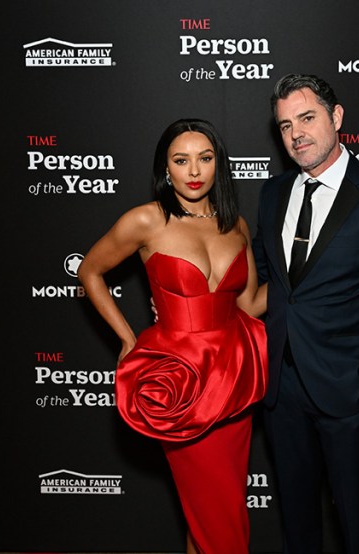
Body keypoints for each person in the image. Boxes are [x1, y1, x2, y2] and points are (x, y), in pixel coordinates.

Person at [252, 74, 359, 553]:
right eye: (286, 125)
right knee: (296, 522)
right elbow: (267, 286)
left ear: (336, 117)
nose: (297, 134)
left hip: (350, 392)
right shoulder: (272, 196)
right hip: (282, 391)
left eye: (307, 118)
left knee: (358, 526)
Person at [78, 118, 268, 554]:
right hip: (183, 386)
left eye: (205, 158)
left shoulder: (234, 224)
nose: (194, 170)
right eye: (181, 160)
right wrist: (127, 339)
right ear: (166, 168)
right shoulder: (147, 220)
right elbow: (90, 270)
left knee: (215, 510)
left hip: (235, 382)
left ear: (218, 164)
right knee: (217, 518)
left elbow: (249, 305)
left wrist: (308, 275)